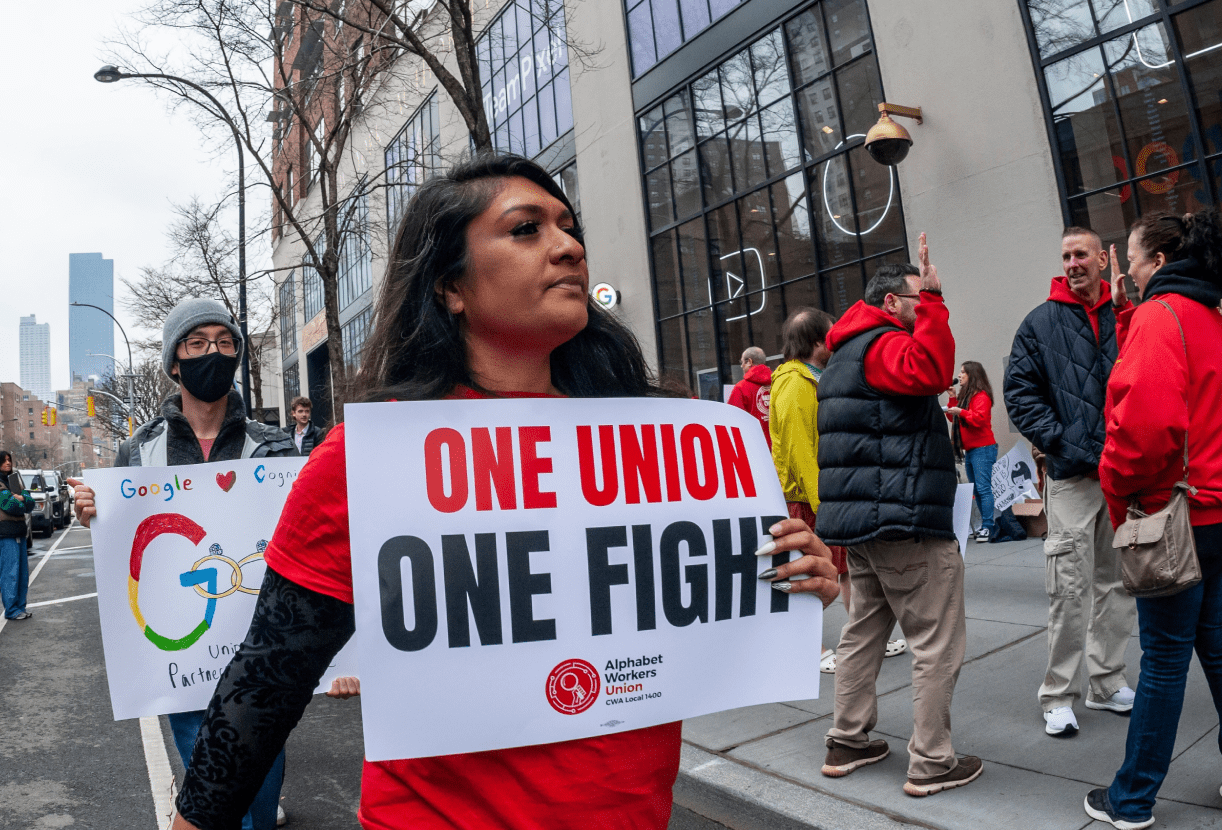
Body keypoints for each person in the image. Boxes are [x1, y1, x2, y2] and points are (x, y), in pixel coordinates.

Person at [79, 156, 841, 830]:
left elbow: (683, 615)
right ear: (450, 287)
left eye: (569, 226)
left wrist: (793, 579)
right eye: (525, 229)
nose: (568, 245)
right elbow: (264, 684)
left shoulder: (666, 447)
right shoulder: (368, 462)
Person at [1083, 210, 1222, 830]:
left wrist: (1117, 497)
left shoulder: (1160, 318)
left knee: (1165, 657)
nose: (1128, 272)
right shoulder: (1208, 316)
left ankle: (1132, 798)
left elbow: (1143, 432)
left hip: (1181, 512)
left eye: (1133, 261)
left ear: (1159, 263)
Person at [78, 298, 300, 830]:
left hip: (261, 652)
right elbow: (125, 539)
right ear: (174, 362)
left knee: (261, 793)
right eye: (197, 344)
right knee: (218, 790)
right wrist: (95, 510)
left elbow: (305, 541)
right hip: (184, 657)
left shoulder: (273, 448)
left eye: (225, 344)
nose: (213, 354)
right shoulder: (139, 452)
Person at [816, 239, 982, 798]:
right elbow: (934, 369)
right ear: (893, 302)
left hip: (863, 523)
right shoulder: (884, 344)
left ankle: (848, 740)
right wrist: (936, 299)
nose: (924, 305)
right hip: (901, 521)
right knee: (937, 640)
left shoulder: (845, 353)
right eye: (916, 298)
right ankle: (932, 761)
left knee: (863, 631)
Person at [1005, 226, 1137, 737]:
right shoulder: (1040, 323)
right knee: (1069, 588)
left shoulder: (1123, 314)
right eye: (1065, 255)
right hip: (1072, 476)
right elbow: (1019, 392)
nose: (1073, 263)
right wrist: (1062, 441)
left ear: (1103, 259)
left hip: (1120, 476)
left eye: (1081, 254)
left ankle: (1106, 682)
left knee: (1118, 583)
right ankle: (1058, 694)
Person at [770, 306, 850, 673]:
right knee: (808, 575)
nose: (837, 339)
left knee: (844, 569)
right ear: (817, 341)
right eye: (831, 335)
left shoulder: (810, 378)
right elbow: (802, 448)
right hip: (807, 499)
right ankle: (812, 648)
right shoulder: (795, 383)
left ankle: (861, 637)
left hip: (821, 494)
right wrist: (824, 503)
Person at [946, 361, 1000, 543]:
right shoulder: (965, 397)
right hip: (971, 450)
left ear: (972, 375)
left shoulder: (981, 396)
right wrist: (953, 398)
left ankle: (987, 526)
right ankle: (983, 525)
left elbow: (979, 419)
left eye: (963, 372)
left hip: (983, 449)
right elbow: (953, 417)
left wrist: (960, 411)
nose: (959, 375)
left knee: (983, 489)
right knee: (977, 489)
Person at [0, 451, 35, 621]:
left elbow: (30, 503)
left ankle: (20, 607)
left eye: (9, 460)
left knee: (22, 573)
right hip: (6, 533)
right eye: (4, 460)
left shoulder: (13, 480)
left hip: (19, 531)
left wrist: (21, 497)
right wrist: (22, 500)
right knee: (10, 572)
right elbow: (12, 506)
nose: (7, 463)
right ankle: (11, 610)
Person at [726, 345, 773, 442]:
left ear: (750, 362)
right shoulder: (778, 382)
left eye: (742, 362)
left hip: (755, 445)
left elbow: (733, 420)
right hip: (780, 447)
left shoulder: (741, 388)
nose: (741, 366)